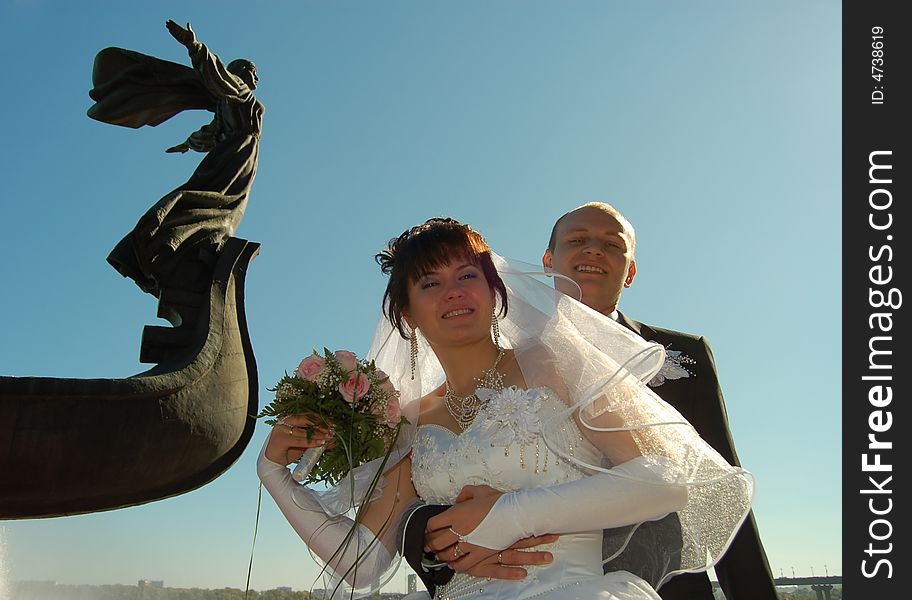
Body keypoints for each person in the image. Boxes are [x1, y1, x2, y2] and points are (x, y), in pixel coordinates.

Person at [258, 218, 753, 599]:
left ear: (495, 291)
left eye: (467, 274)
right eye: (430, 283)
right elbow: (362, 563)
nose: (453, 291)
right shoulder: (409, 422)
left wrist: (512, 515)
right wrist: (274, 476)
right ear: (406, 314)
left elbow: (665, 481)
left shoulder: (555, 365)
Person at [405, 204, 778, 600]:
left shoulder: (682, 353)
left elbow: (707, 471)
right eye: (577, 240)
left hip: (665, 587)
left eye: (612, 245)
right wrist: (435, 537)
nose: (593, 251)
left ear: (631, 271)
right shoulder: (491, 362)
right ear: (548, 261)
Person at [88, 20, 263, 296]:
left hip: (235, 157)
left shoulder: (228, 102)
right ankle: (167, 241)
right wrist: (195, 47)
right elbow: (218, 77)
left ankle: (176, 242)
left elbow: (212, 132)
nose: (257, 78)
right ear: (240, 73)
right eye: (252, 71)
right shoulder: (238, 91)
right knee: (214, 202)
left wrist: (188, 143)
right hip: (235, 157)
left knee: (213, 203)